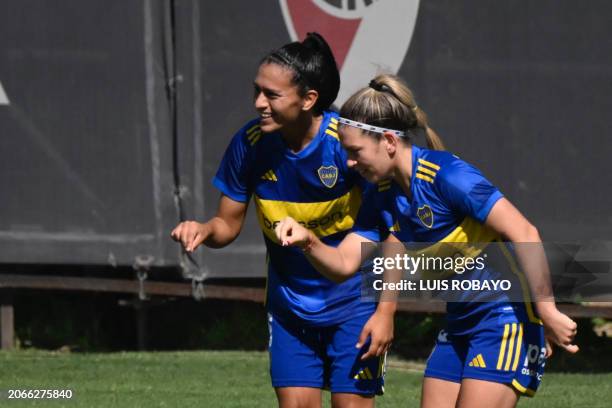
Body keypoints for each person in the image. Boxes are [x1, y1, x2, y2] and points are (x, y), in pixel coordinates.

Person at [275, 74, 579, 408]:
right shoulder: (383, 194)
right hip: (460, 322)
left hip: (504, 319)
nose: (349, 162)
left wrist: (546, 311)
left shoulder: (447, 175)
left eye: (354, 151)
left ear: (388, 141)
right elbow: (345, 264)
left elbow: (524, 232)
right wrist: (309, 241)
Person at [171, 34, 393, 407]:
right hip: (290, 309)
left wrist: (386, 311)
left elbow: (389, 234)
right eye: (257, 91)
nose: (259, 103)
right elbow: (227, 226)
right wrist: (205, 229)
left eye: (272, 95)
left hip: (354, 306)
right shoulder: (250, 145)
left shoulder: (347, 145)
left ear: (308, 100)